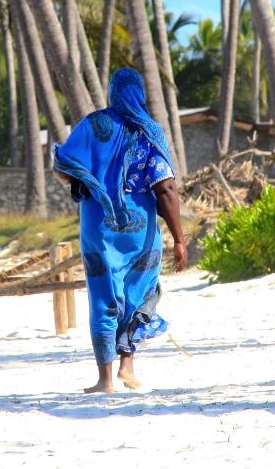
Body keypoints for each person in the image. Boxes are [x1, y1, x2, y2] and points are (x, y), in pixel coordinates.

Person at [52, 68, 188, 394]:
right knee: (138, 292)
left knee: (103, 294)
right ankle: (128, 364)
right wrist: (179, 239)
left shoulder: (93, 124)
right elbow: (166, 188)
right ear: (140, 93)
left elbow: (63, 166)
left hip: (99, 225)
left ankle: (105, 379)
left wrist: (92, 182)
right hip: (141, 229)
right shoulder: (150, 131)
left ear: (112, 92)